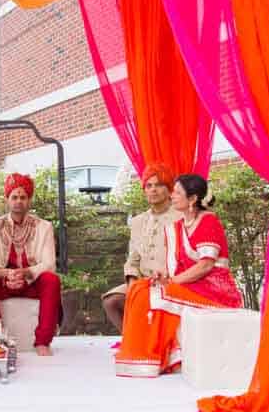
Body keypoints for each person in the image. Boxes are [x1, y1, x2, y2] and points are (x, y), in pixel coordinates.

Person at [115, 173, 243, 378]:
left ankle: (160, 357)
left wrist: (172, 282)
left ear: (192, 199)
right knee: (140, 288)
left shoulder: (208, 221)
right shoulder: (179, 225)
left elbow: (205, 265)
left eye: (177, 192)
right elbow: (179, 264)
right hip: (191, 283)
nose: (172, 196)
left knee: (157, 294)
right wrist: (163, 274)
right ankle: (146, 358)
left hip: (214, 289)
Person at [0, 173, 62, 356]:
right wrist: (6, 274)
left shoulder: (43, 226)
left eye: (23, 197)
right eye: (14, 197)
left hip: (31, 281)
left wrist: (25, 273)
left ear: (29, 200)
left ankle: (43, 341)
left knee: (51, 279)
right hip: (4, 282)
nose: (18, 201)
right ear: (7, 199)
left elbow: (49, 263)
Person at [102, 162, 180, 331]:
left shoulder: (180, 218)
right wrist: (132, 283)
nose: (153, 190)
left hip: (169, 282)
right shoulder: (137, 222)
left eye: (159, 185)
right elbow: (133, 260)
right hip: (142, 281)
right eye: (149, 185)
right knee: (111, 301)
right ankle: (132, 342)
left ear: (169, 189)